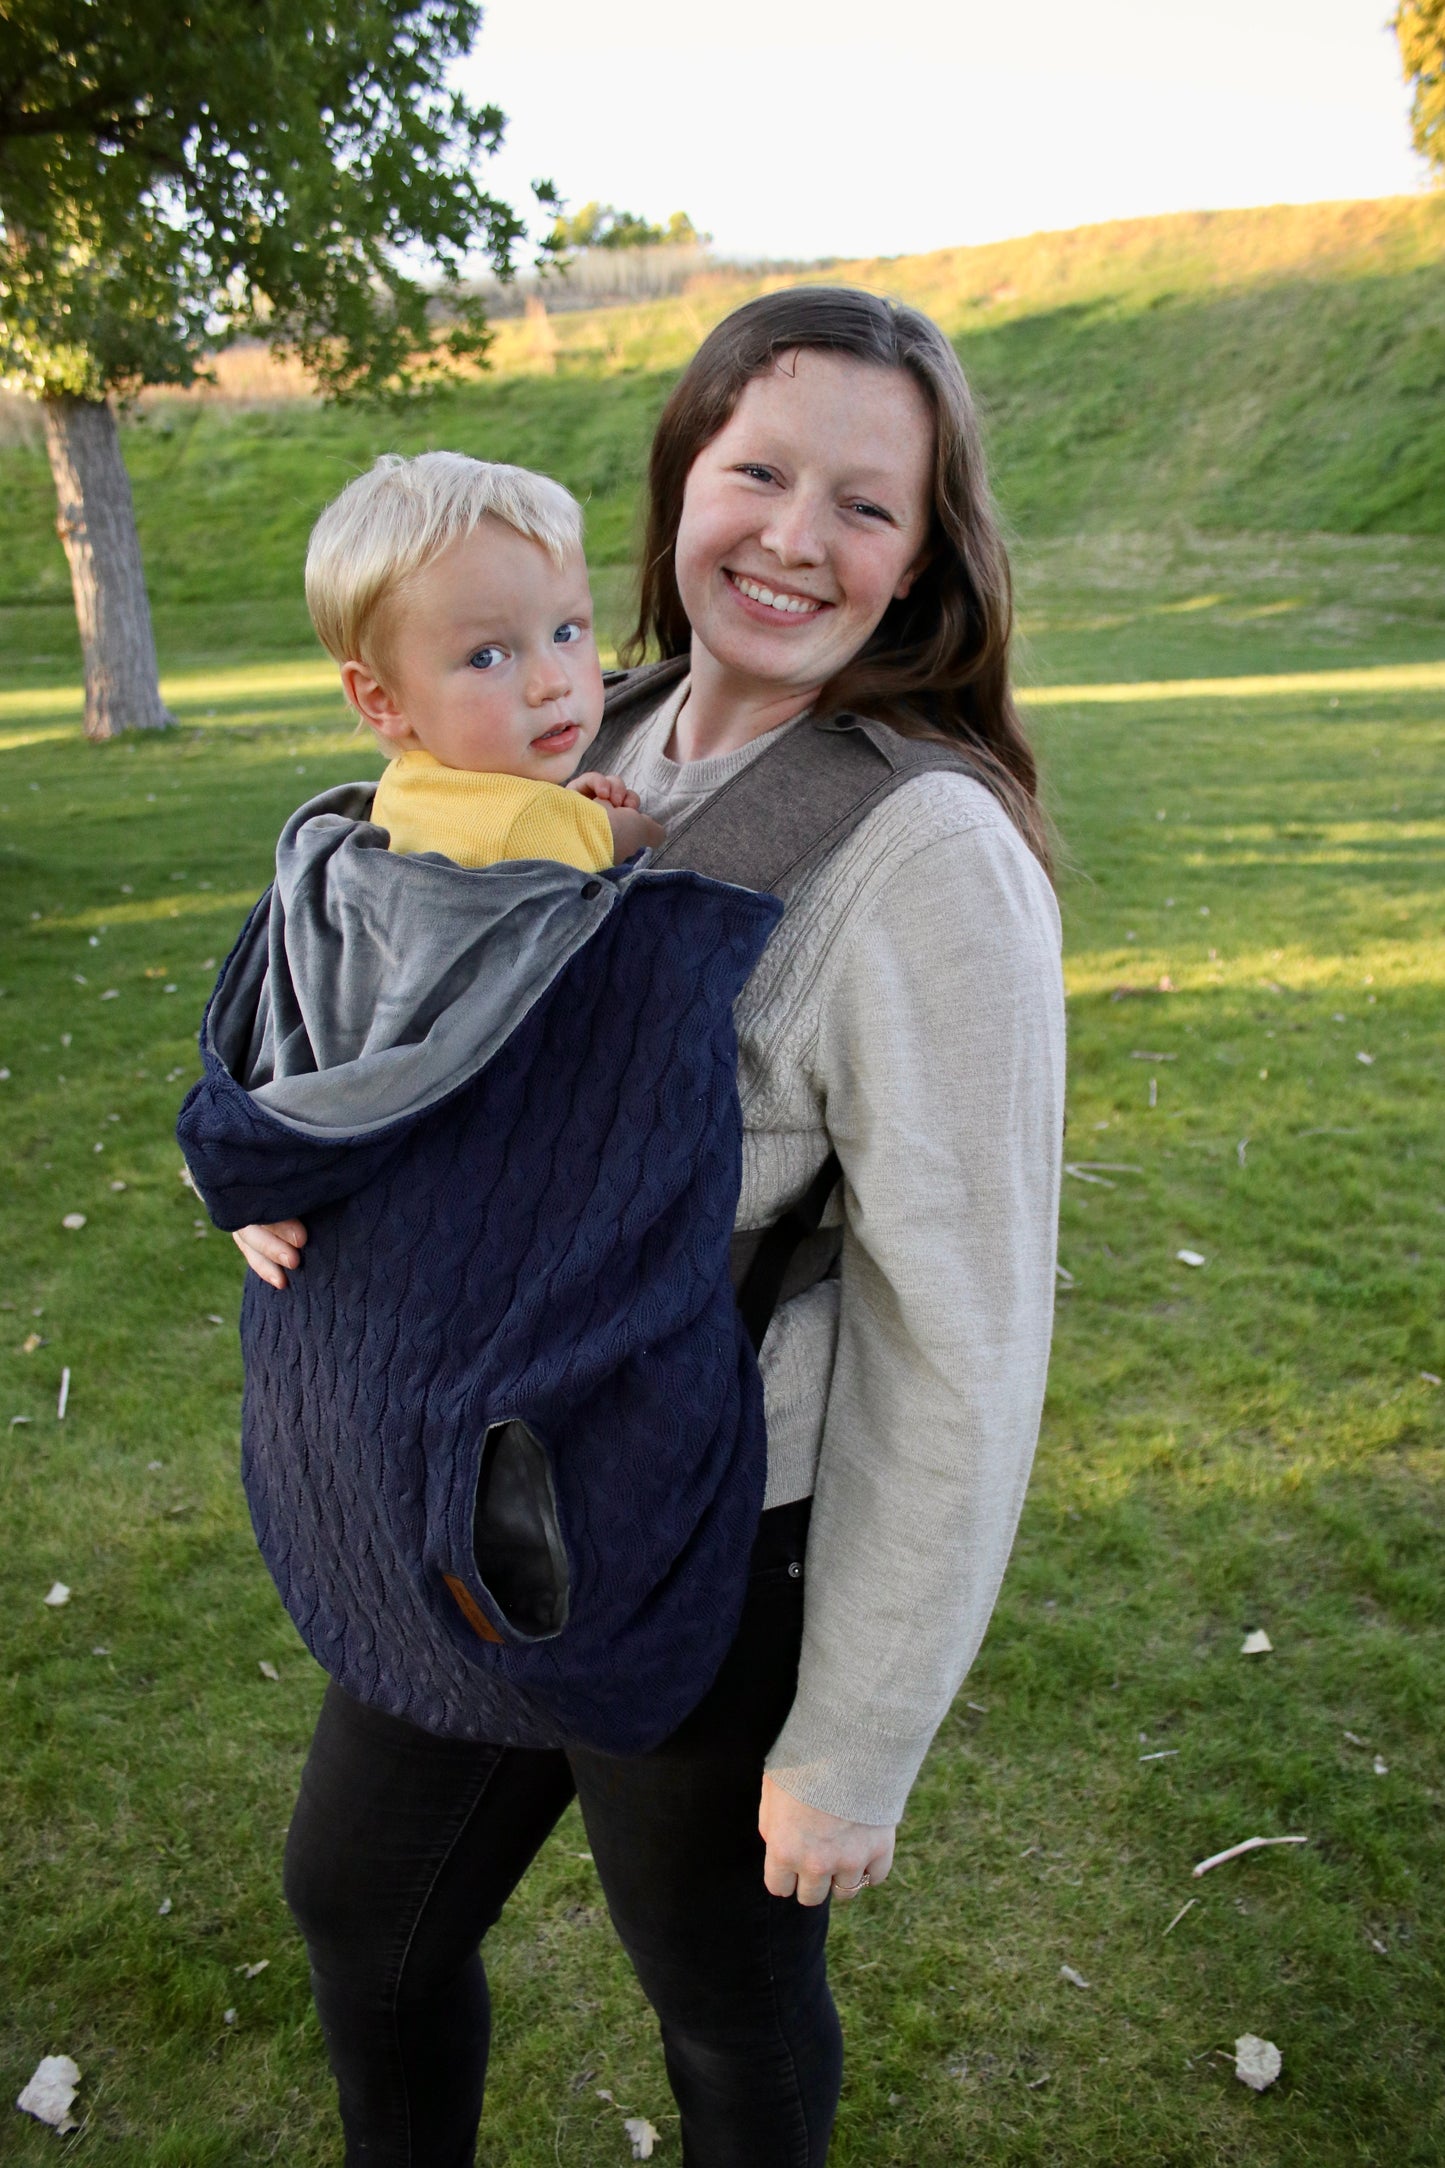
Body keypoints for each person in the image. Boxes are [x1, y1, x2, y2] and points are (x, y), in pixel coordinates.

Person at [230, 286, 1066, 2168]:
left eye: (866, 504)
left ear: (923, 555)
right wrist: (287, 1166)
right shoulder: (565, 723)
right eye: (758, 472)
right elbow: (369, 988)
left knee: (724, 2011)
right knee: (363, 1911)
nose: (794, 536)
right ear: (685, 477)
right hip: (458, 1515)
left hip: (705, 1551)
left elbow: (960, 1336)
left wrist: (853, 1741)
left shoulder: (924, 854)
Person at [307, 449, 663, 869]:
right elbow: (643, 850)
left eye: (565, 633)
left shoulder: (398, 794)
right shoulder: (530, 826)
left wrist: (571, 817)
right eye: (486, 657)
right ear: (383, 699)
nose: (552, 682)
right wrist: (622, 832)